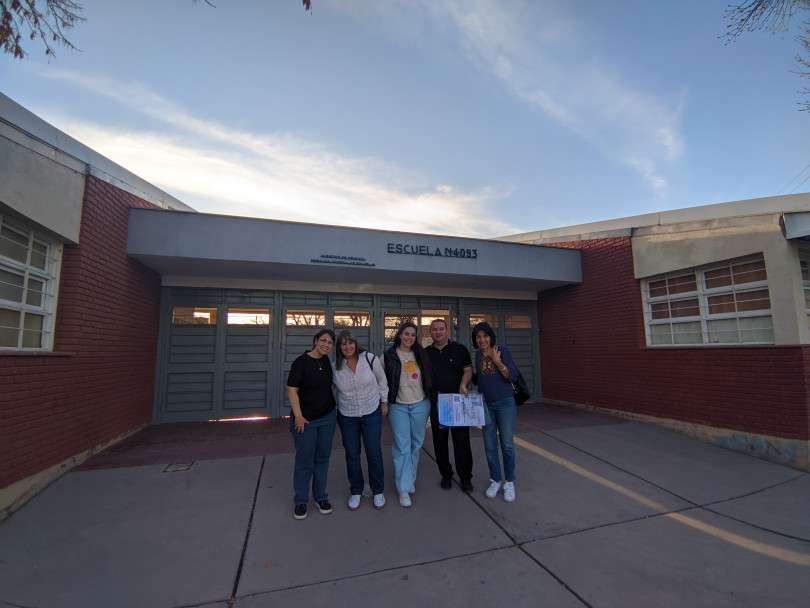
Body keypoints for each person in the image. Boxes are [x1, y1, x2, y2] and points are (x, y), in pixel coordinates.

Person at [332, 329, 388, 511]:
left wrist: (384, 402)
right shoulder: (335, 367)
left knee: (374, 452)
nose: (347, 346)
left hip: (371, 411)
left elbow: (382, 380)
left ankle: (378, 490)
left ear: (355, 344)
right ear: (339, 347)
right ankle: (356, 490)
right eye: (343, 343)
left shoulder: (370, 359)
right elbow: (325, 388)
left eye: (350, 343)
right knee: (352, 454)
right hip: (348, 415)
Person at [286, 328, 337, 520]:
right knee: (305, 461)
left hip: (327, 418)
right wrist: (298, 416)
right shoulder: (301, 362)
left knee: (323, 458)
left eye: (330, 343)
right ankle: (300, 500)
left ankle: (320, 496)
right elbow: (292, 390)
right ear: (316, 341)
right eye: (323, 341)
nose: (326, 345)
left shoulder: (326, 362)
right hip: (305, 421)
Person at [383, 321, 432, 508]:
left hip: (420, 404)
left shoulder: (421, 354)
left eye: (413, 334)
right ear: (400, 335)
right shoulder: (389, 356)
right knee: (402, 445)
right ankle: (403, 488)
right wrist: (383, 401)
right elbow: (379, 379)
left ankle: (409, 479)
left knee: (416, 444)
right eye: (406, 334)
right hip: (398, 406)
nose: (409, 337)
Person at [425, 319, 474, 492]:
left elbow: (468, 370)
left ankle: (465, 477)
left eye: (441, 329)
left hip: (457, 401)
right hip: (437, 402)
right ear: (430, 333)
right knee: (440, 442)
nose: (438, 332)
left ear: (447, 331)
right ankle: (446, 475)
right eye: (434, 330)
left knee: (462, 442)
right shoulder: (426, 353)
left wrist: (463, 385)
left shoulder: (460, 349)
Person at [472, 321, 518, 503]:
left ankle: (509, 481)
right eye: (478, 337)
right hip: (486, 405)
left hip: (505, 403)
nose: (482, 340)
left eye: (485, 336)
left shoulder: (502, 350)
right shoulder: (477, 355)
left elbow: (511, 376)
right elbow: (481, 379)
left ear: (491, 336)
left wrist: (497, 361)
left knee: (507, 444)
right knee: (490, 446)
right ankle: (496, 479)